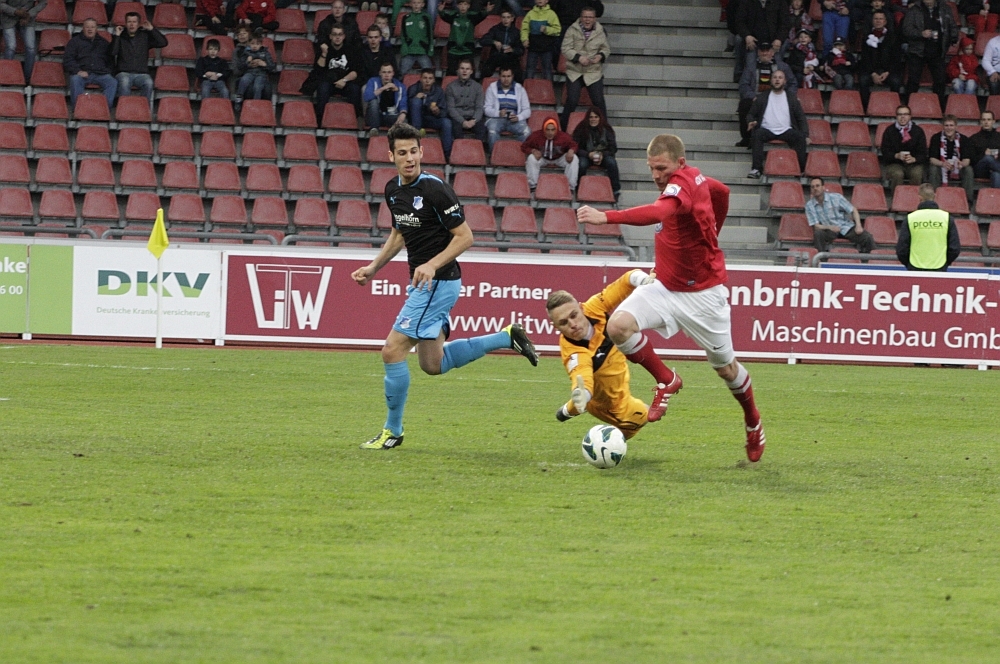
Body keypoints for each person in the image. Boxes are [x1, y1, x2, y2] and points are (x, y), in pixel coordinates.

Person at [576, 134, 766, 463]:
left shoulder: (682, 186)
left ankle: (753, 420)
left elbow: (659, 211)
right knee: (618, 326)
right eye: (651, 168)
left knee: (726, 370)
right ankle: (667, 379)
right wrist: (711, 233)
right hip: (665, 287)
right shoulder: (696, 179)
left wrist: (606, 217)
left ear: (680, 163)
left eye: (661, 168)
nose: (655, 175)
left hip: (704, 296)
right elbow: (722, 192)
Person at [351, 122, 539, 450]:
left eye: (414, 151)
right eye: (402, 153)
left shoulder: (435, 189)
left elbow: (465, 237)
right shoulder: (393, 190)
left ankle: (392, 432)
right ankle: (506, 337)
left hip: (438, 283)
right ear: (391, 156)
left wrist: (432, 264)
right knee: (432, 364)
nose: (409, 158)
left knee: (392, 350)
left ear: (422, 152)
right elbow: (398, 234)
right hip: (426, 283)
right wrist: (373, 268)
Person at [548, 270, 656, 439]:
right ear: (556, 327)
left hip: (619, 378)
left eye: (574, 315)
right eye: (563, 323)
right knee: (646, 416)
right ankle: (578, 408)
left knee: (581, 400)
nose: (573, 324)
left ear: (581, 307)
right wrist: (583, 394)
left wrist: (643, 280)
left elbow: (625, 282)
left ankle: (569, 409)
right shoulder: (574, 352)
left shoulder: (594, 307)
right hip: (610, 404)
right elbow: (582, 375)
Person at [746, 69, 808, 179]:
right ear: (771, 80)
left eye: (780, 78)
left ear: (785, 81)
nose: (777, 80)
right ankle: (757, 169)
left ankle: (800, 170)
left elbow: (801, 117)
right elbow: (751, 114)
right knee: (757, 135)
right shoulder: (762, 97)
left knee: (800, 138)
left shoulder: (791, 98)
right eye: (775, 77)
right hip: (767, 130)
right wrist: (751, 121)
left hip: (786, 130)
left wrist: (806, 134)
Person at [736, 42, 796, 148]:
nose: (764, 53)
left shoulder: (782, 66)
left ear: (772, 53)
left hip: (776, 98)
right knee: (744, 104)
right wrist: (752, 96)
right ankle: (747, 138)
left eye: (767, 51)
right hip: (756, 98)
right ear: (758, 52)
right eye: (762, 51)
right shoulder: (750, 67)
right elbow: (743, 85)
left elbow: (793, 83)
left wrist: (787, 96)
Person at [559, 7, 609, 129]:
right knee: (571, 101)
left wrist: (600, 56)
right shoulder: (572, 29)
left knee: (599, 102)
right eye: (585, 17)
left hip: (593, 72)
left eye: (590, 17)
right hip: (575, 71)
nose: (587, 20)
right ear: (581, 18)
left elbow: (606, 48)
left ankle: (605, 130)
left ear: (594, 18)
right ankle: (563, 129)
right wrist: (578, 58)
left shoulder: (600, 31)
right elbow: (565, 48)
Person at [901, 0, 958, 107]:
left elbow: (952, 25)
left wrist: (953, 38)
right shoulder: (913, 10)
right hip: (917, 51)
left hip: (938, 51)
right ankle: (908, 107)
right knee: (913, 81)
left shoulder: (945, 8)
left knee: (940, 81)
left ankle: (939, 108)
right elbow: (906, 29)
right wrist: (920, 34)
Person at [897, 183, 961, 270]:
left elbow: (902, 249)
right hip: (939, 267)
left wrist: (910, 265)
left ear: (919, 198)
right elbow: (954, 248)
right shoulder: (946, 218)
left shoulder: (910, 218)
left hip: (915, 267)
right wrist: (944, 263)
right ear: (934, 196)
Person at [805, 176, 876, 253]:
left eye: (817, 186)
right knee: (818, 234)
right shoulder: (809, 205)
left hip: (845, 227)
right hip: (829, 230)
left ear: (823, 187)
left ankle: (871, 259)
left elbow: (853, 210)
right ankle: (820, 258)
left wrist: (858, 226)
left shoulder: (836, 197)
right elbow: (816, 226)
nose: (815, 188)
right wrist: (830, 227)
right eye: (812, 187)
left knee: (867, 237)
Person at [111, 12, 167, 102]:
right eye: (129, 22)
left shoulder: (145, 36)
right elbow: (113, 52)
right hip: (123, 73)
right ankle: (124, 108)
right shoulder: (120, 36)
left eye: (134, 22)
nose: (132, 24)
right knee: (124, 82)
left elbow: (163, 43)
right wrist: (117, 36)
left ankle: (144, 108)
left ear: (138, 24)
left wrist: (151, 29)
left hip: (141, 74)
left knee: (149, 83)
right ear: (125, 23)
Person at [63, 18, 117, 110]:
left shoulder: (104, 43)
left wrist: (107, 71)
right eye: (87, 27)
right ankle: (78, 110)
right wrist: (78, 71)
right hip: (82, 73)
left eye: (92, 27)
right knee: (75, 79)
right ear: (83, 28)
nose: (90, 29)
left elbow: (110, 60)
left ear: (96, 28)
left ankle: (105, 110)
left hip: (100, 73)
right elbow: (68, 60)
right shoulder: (74, 42)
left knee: (112, 82)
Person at [572, 105, 620, 201]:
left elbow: (613, 148)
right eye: (591, 117)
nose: (593, 119)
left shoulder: (607, 129)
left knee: (612, 163)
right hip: (586, 155)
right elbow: (576, 147)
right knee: (582, 164)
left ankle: (615, 190)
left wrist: (603, 155)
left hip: (603, 155)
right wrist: (588, 155)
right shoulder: (581, 128)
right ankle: (578, 189)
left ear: (599, 118)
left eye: (596, 117)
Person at [311, 24, 361, 117]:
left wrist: (344, 80)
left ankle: (354, 119)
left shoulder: (350, 50)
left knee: (355, 89)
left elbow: (355, 72)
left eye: (340, 34)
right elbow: (318, 70)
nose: (337, 37)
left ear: (344, 36)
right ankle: (320, 120)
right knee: (322, 88)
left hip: (345, 82)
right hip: (328, 82)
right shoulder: (325, 49)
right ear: (330, 36)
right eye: (334, 34)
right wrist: (324, 53)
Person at [858, 10, 903, 108]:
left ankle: (893, 108)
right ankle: (866, 108)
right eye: (876, 19)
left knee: (896, 82)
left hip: (888, 71)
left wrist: (887, 72)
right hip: (871, 71)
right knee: (863, 81)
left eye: (880, 19)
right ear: (872, 21)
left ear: (885, 21)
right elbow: (865, 58)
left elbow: (896, 58)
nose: (878, 21)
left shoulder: (893, 37)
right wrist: (873, 73)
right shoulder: (866, 37)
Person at [522, 117, 578, 191]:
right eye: (547, 130)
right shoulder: (536, 136)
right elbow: (524, 146)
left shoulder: (564, 137)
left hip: (559, 158)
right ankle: (533, 186)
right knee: (531, 158)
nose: (550, 133)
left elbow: (574, 145)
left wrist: (571, 150)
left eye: (553, 130)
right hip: (542, 158)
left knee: (574, 158)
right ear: (543, 129)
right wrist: (533, 151)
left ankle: (570, 187)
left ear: (556, 129)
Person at [880, 105, 927, 193]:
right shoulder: (889, 130)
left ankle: (914, 198)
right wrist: (896, 156)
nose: (902, 117)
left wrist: (914, 159)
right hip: (894, 163)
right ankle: (896, 198)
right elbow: (885, 151)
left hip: (914, 164)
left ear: (910, 116)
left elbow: (923, 152)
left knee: (916, 174)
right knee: (898, 174)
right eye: (900, 114)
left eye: (905, 114)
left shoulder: (918, 131)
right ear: (896, 116)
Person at [408, 68, 453, 158]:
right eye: (425, 78)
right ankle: (417, 134)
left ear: (434, 80)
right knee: (416, 101)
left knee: (447, 122)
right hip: (415, 120)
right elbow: (406, 108)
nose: (427, 81)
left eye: (430, 78)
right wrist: (415, 99)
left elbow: (444, 112)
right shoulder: (413, 88)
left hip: (431, 119)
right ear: (420, 79)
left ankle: (447, 155)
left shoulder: (439, 91)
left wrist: (437, 111)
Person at [484, 66, 531, 151]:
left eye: (508, 76)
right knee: (492, 131)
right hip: (496, 119)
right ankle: (495, 156)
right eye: (503, 76)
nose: (506, 79)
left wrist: (518, 117)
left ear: (512, 76)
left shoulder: (520, 88)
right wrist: (498, 113)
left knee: (526, 132)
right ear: (499, 76)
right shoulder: (492, 88)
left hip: (515, 119)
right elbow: (486, 109)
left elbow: (527, 110)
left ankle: (519, 155)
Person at [928, 115, 974, 203]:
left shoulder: (964, 139)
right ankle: (933, 200)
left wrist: (961, 164)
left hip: (958, 167)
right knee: (933, 169)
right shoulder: (936, 138)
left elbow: (967, 160)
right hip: (941, 166)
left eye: (951, 125)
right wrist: (943, 164)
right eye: (946, 125)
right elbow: (932, 159)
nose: (949, 128)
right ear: (943, 126)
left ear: (956, 127)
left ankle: (967, 201)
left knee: (968, 170)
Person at [439, 0, 492, 76]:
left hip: (467, 49)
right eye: (461, 4)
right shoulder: (453, 15)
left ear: (468, 6)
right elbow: (445, 16)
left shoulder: (472, 16)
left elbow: (481, 15)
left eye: (465, 4)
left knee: (470, 74)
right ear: (457, 6)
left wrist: (487, 11)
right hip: (453, 49)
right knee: (451, 73)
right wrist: (440, 11)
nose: (463, 7)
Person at [1, 0, 45, 79]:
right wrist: (15, 11)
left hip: (28, 18)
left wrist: (29, 14)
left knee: (31, 48)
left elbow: (43, 2)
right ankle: (6, 77)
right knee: (11, 46)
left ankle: (27, 79)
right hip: (8, 18)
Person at [445, 58, 487, 141]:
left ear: (471, 71)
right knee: (455, 129)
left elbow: (479, 107)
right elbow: (451, 108)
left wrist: (473, 120)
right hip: (457, 117)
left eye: (467, 69)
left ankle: (478, 149)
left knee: (482, 129)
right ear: (458, 70)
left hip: (473, 116)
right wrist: (462, 121)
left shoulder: (478, 87)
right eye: (462, 68)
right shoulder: (450, 87)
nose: (464, 71)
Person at [521, 0, 560, 80]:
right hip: (533, 47)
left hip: (547, 48)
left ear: (547, 1)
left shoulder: (551, 14)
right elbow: (524, 29)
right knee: (530, 69)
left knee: (547, 70)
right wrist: (524, 39)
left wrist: (547, 29)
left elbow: (557, 30)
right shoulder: (530, 14)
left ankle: (549, 87)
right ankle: (528, 86)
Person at [364, 61, 408, 134]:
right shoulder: (373, 81)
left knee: (404, 121)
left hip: (391, 115)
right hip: (375, 116)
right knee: (373, 102)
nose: (386, 75)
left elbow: (403, 103)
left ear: (393, 73)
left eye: (389, 72)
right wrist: (383, 88)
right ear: (380, 73)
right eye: (384, 72)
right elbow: (367, 97)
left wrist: (403, 113)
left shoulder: (400, 86)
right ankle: (374, 130)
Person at [480, 8, 524, 80]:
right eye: (503, 17)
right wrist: (494, 42)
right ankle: (482, 85)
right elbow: (483, 41)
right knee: (486, 69)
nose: (505, 20)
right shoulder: (495, 29)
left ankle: (518, 86)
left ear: (512, 19)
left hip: (511, 57)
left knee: (518, 73)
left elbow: (521, 50)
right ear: (500, 18)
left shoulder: (516, 32)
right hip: (497, 55)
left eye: (508, 17)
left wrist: (512, 50)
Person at [234, 31, 275, 105]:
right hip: (250, 72)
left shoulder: (265, 53)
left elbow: (272, 66)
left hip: (261, 74)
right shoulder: (246, 52)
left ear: (261, 44)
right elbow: (240, 66)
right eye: (252, 44)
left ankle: (256, 103)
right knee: (243, 80)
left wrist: (264, 64)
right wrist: (247, 62)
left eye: (257, 44)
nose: (255, 46)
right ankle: (239, 97)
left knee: (257, 86)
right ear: (249, 43)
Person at [399, 0, 434, 74]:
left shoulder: (426, 17)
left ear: (423, 4)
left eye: (418, 3)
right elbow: (403, 34)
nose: (416, 5)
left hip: (422, 51)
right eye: (414, 3)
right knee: (402, 73)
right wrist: (404, 47)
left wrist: (430, 49)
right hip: (409, 51)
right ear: (410, 4)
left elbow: (430, 34)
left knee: (429, 73)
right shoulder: (406, 17)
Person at [969, 109, 1000, 187]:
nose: (986, 122)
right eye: (984, 120)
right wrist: (983, 153)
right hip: (980, 170)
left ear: (993, 121)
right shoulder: (974, 138)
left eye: (989, 120)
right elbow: (971, 159)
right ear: (981, 122)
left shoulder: (999, 136)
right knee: (987, 158)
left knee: (996, 175)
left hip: (996, 167)